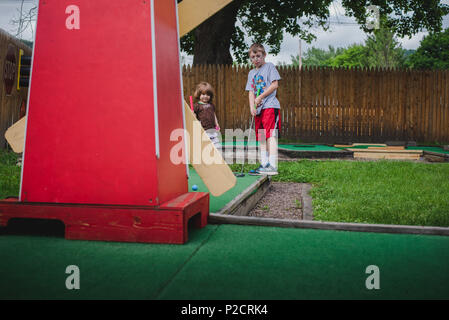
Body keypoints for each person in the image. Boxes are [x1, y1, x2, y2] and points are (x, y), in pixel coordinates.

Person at [245, 43, 281, 175]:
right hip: (258, 109)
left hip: (270, 105)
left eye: (258, 56)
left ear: (264, 55)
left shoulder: (269, 67)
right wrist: (251, 107)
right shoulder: (251, 73)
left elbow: (274, 85)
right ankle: (264, 164)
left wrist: (260, 97)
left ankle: (272, 165)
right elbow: (250, 92)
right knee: (261, 136)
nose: (256, 59)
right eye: (253, 57)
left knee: (270, 135)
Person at [193, 82, 221, 151]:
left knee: (216, 145)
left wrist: (217, 124)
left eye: (208, 95)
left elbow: (214, 115)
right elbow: (194, 117)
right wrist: (193, 114)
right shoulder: (197, 106)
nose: (205, 96)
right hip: (204, 130)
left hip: (212, 129)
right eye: (203, 94)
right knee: (206, 145)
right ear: (199, 94)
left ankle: (216, 156)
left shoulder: (211, 105)